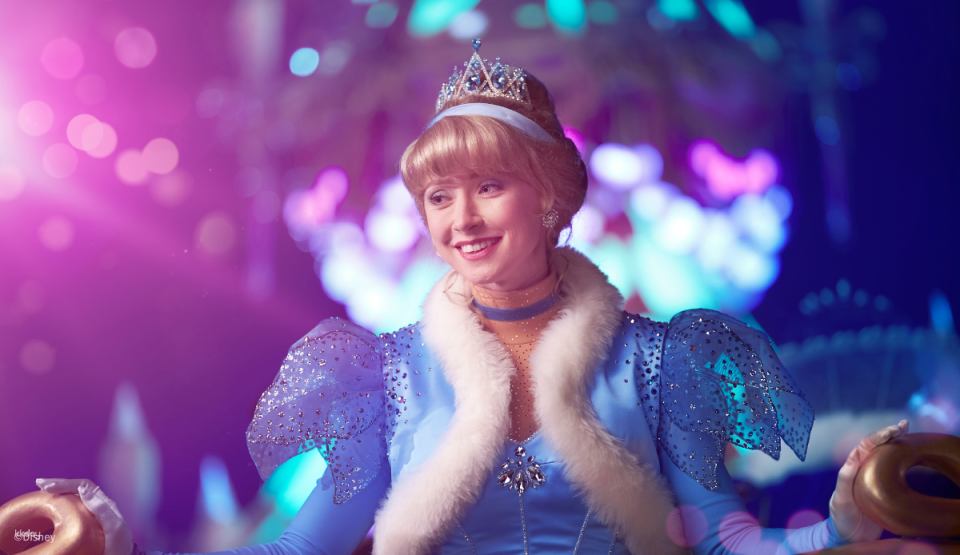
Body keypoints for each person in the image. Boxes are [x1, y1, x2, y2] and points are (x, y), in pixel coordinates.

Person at [37, 39, 909, 555]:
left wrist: (839, 524)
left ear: (552, 198)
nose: (462, 220)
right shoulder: (379, 375)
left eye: (489, 187)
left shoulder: (663, 360)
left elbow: (722, 539)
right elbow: (302, 547)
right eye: (438, 196)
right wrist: (122, 545)